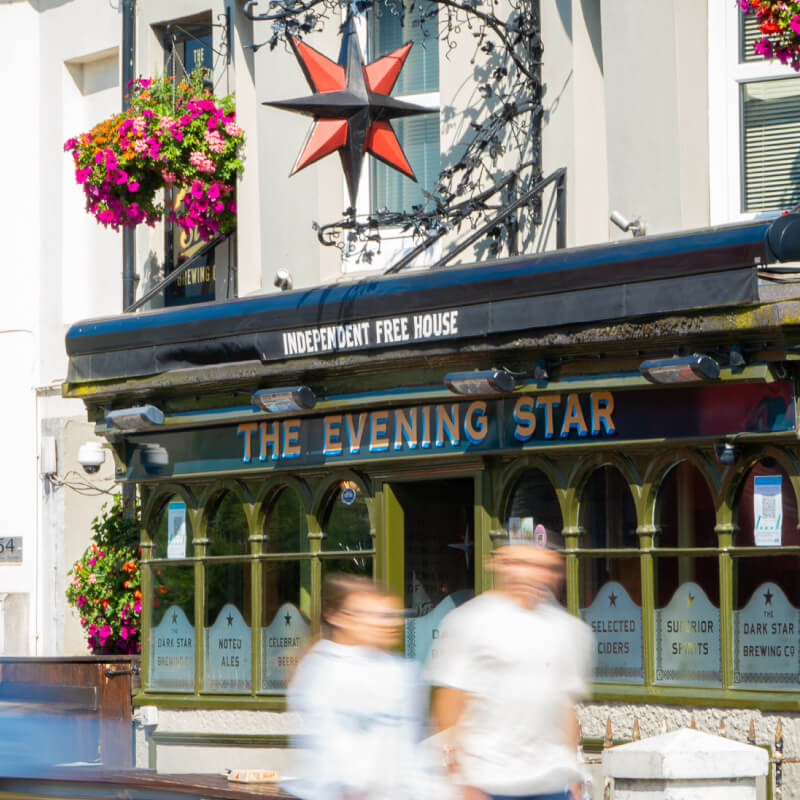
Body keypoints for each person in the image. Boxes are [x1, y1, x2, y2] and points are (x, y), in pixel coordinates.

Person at [426, 537, 593, 800]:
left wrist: (572, 776)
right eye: (520, 562)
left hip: (551, 783)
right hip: (490, 782)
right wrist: (460, 779)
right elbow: (449, 705)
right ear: (498, 563)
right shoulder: (469, 621)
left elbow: (565, 707)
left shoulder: (570, 631)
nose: (530, 573)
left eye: (542, 566)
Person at [287, 574, 440, 800]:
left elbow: (409, 750)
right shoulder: (321, 670)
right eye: (374, 615)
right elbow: (329, 746)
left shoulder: (403, 672)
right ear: (340, 618)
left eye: (392, 615)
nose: (388, 622)